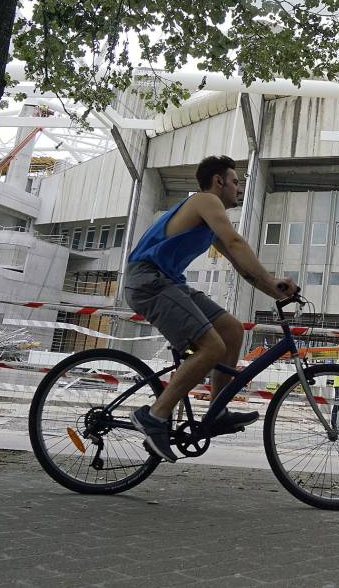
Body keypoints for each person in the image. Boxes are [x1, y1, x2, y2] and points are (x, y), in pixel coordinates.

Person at [124, 155, 299, 461]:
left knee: (232, 330)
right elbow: (235, 242)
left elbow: (241, 267)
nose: (239, 188)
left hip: (168, 282)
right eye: (235, 181)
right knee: (212, 347)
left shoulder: (208, 221)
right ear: (218, 181)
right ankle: (155, 415)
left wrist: (274, 290)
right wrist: (272, 280)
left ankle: (216, 411)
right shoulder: (205, 200)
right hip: (149, 280)